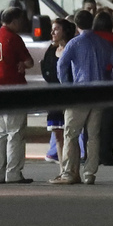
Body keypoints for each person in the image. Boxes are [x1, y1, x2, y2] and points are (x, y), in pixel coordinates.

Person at [51, 9, 113, 185]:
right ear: (92, 23)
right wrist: (109, 78)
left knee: (71, 133)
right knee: (94, 135)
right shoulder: (103, 43)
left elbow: (61, 65)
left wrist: (66, 86)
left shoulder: (74, 43)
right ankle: (89, 174)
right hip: (99, 93)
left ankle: (70, 173)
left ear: (76, 25)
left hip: (79, 92)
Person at [0, 7, 35, 184]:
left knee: (1, 134)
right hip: (14, 90)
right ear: (14, 21)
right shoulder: (13, 39)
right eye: (20, 20)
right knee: (15, 133)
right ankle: (13, 173)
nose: (22, 24)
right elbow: (29, 62)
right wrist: (23, 64)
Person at [92, 10, 113, 166]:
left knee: (92, 123)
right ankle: (107, 156)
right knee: (109, 123)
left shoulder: (90, 39)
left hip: (91, 83)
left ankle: (92, 155)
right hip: (111, 85)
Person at [40, 18, 76, 164]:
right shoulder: (51, 50)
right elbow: (47, 70)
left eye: (56, 29)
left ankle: (71, 168)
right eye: (52, 30)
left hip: (69, 98)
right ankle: (62, 168)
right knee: (58, 136)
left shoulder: (72, 49)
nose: (52, 32)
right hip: (54, 98)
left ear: (65, 31)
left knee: (70, 135)